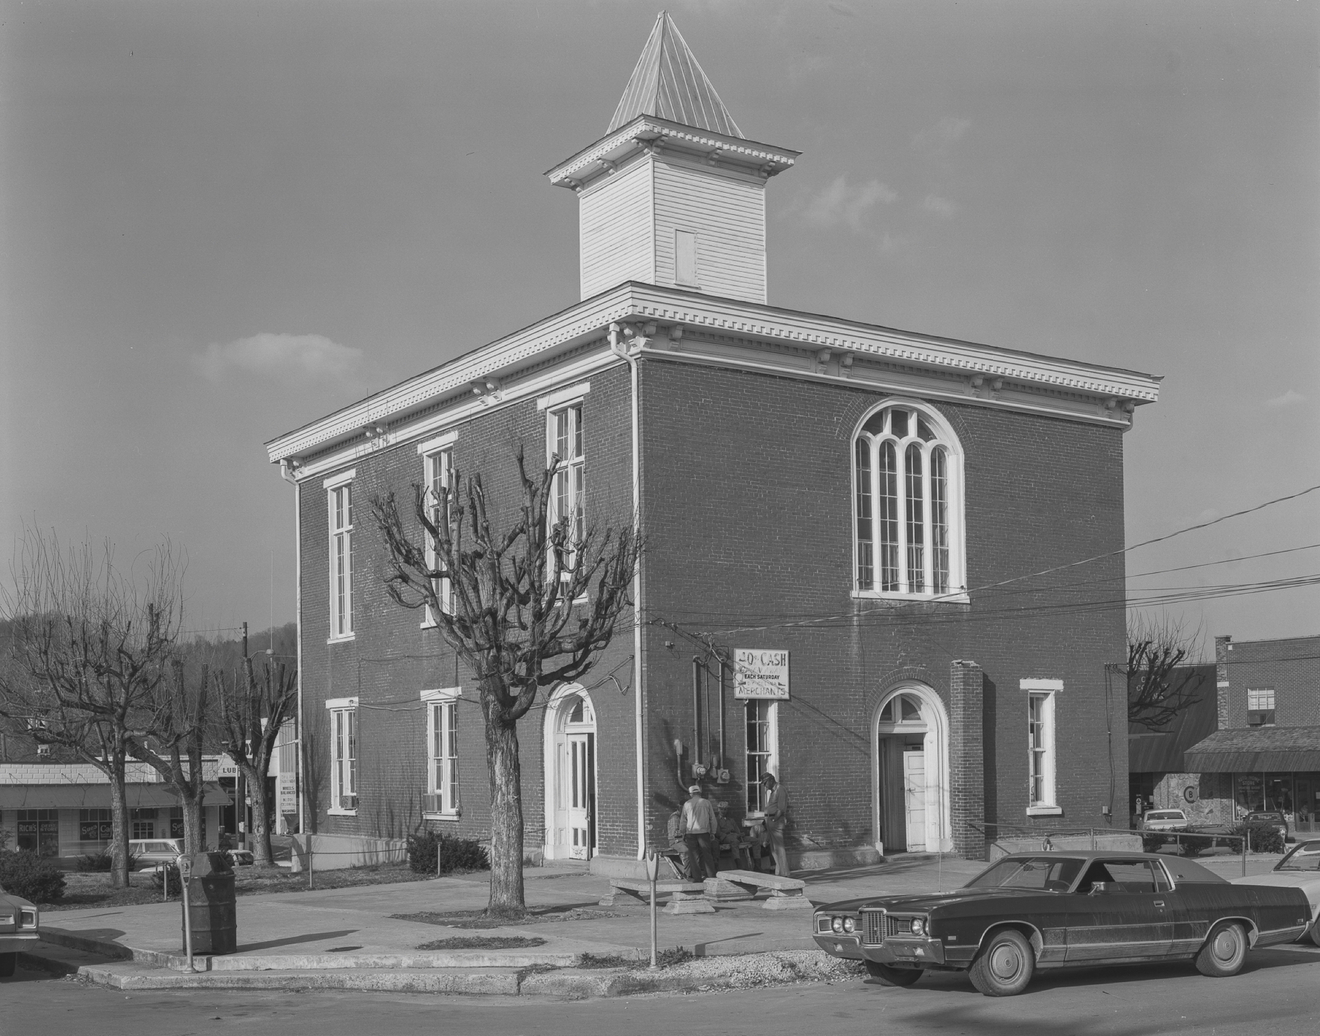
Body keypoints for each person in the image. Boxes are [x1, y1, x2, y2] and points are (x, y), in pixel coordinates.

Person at [681, 784, 719, 881]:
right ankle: (711, 877)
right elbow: (712, 819)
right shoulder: (706, 803)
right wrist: (713, 832)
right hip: (704, 833)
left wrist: (682, 832)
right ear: (699, 792)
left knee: (694, 857)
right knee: (707, 855)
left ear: (691, 794)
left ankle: (697, 878)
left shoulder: (687, 804)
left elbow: (683, 821)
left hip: (691, 833)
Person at [760, 772, 790, 877]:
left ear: (771, 780)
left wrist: (774, 820)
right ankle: (779, 871)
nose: (764, 786)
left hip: (775, 822)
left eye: (765, 783)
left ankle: (784, 873)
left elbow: (781, 808)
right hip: (770, 821)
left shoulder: (780, 789)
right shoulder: (773, 791)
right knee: (773, 849)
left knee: (779, 848)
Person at [714, 800, 752, 869]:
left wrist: (740, 834)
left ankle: (757, 865)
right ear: (718, 810)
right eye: (721, 809)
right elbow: (718, 832)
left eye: (725, 809)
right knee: (734, 841)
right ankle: (738, 864)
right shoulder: (716, 820)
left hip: (736, 836)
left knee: (755, 840)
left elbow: (737, 830)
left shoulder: (731, 820)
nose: (723, 811)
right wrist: (728, 836)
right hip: (725, 838)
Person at [666, 808, 693, 879]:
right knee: (686, 850)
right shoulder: (675, 818)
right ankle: (687, 873)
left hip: (683, 840)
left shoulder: (684, 816)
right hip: (675, 841)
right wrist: (687, 831)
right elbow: (674, 833)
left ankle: (697, 872)